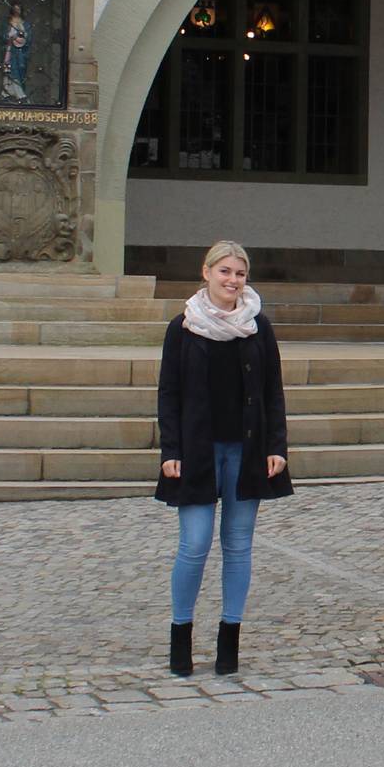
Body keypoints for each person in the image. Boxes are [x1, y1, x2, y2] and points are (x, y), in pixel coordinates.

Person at [156, 240, 292, 678]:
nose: (233, 280)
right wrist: (171, 450)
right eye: (225, 271)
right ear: (206, 272)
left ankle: (229, 641)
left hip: (246, 450)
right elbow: (169, 393)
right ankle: (181, 636)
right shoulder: (183, 327)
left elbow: (272, 391)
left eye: (240, 273)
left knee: (238, 545)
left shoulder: (258, 326)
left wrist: (276, 446)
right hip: (197, 451)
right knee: (194, 544)